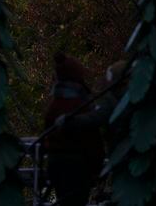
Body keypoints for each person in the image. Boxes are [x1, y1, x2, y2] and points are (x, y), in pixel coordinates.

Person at [43, 53, 108, 206]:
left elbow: (48, 137)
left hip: (57, 165)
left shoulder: (54, 105)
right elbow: (92, 138)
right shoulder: (81, 104)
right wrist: (96, 167)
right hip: (78, 167)